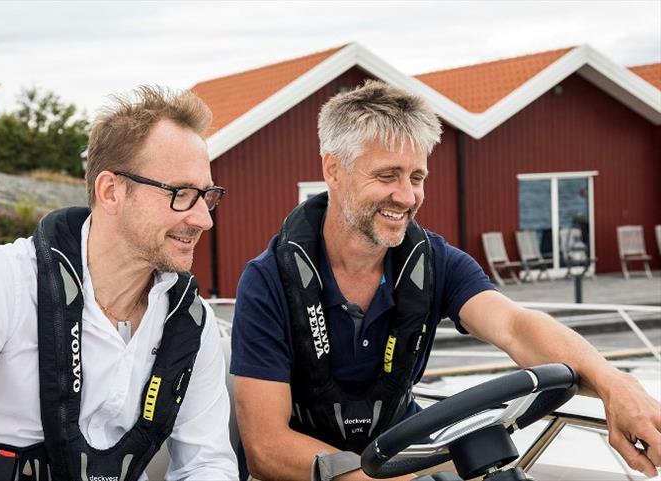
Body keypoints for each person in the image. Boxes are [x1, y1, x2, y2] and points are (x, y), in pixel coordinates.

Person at [230, 80, 661, 481]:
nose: (407, 196)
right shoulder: (268, 281)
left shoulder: (435, 262)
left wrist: (615, 384)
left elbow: (514, 326)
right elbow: (266, 446)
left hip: (407, 462)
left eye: (417, 177)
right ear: (333, 169)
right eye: (387, 176)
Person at [0, 86, 239, 481]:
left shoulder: (189, 323)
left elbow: (206, 463)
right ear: (111, 192)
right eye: (181, 194)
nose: (204, 219)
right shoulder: (3, 280)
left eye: (208, 196)